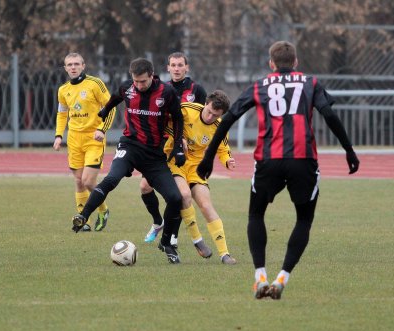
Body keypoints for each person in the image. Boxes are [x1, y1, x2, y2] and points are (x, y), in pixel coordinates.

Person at [197, 41, 360, 299]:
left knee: (256, 215)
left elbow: (228, 117)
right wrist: (348, 150)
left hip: (268, 160)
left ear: (271, 64)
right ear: (295, 62)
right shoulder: (310, 83)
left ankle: (260, 275)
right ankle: (282, 277)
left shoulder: (260, 85)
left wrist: (208, 158)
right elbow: (329, 114)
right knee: (304, 220)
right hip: (302, 159)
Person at [71, 57, 186, 264]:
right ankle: (84, 215)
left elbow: (178, 119)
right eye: (136, 81)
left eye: (143, 81)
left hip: (154, 155)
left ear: (152, 76)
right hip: (129, 146)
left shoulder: (167, 93)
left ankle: (167, 243)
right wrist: (105, 110)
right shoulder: (128, 88)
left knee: (176, 199)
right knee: (111, 179)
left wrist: (178, 147)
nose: (139, 86)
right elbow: (115, 98)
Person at [164, 90, 237, 264]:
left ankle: (224, 254)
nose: (210, 116)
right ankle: (198, 241)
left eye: (215, 115)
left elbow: (222, 148)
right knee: (185, 195)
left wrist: (227, 160)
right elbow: (163, 122)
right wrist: (178, 138)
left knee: (205, 205)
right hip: (176, 161)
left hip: (197, 166)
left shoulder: (219, 126)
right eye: (209, 111)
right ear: (206, 103)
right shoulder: (187, 109)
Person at [142, 52, 207, 245]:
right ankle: (158, 222)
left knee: (178, 195)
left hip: (182, 148)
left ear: (187, 68)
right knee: (145, 187)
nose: (177, 69)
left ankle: (173, 237)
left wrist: (185, 140)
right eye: (173, 65)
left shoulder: (197, 90)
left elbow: (201, 121)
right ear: (167, 68)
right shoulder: (161, 89)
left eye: (180, 65)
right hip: (160, 144)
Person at [53, 52, 115, 232]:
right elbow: (62, 113)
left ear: (83, 65)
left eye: (76, 64)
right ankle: (83, 220)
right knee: (79, 180)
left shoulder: (95, 84)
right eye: (69, 64)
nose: (73, 67)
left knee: (88, 181)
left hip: (93, 138)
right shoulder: (63, 90)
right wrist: (58, 136)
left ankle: (103, 210)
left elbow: (110, 107)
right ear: (65, 68)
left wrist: (102, 129)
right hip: (74, 139)